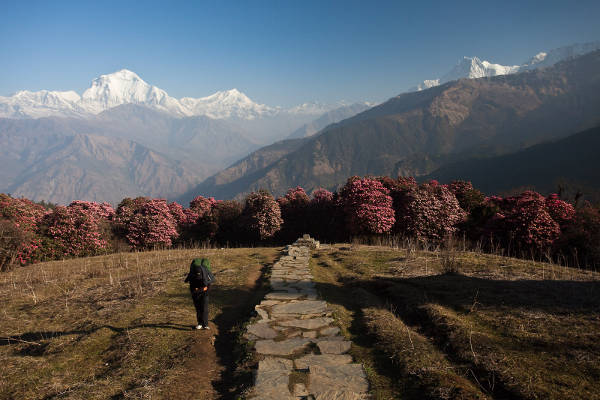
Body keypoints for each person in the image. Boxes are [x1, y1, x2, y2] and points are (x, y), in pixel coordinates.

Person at [184, 258, 215, 330]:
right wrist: (197, 291)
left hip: (205, 292)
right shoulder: (192, 276)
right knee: (198, 308)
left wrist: (203, 290)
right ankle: (200, 323)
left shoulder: (206, 276)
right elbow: (191, 288)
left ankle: (205, 324)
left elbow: (208, 286)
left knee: (204, 308)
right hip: (196, 292)